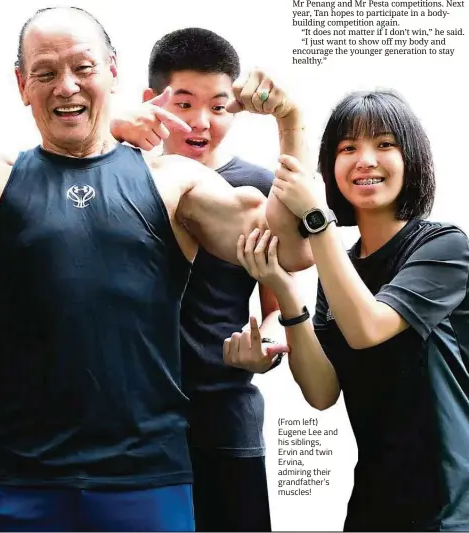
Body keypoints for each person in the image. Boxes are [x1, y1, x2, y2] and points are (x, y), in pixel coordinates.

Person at [0, 9, 313, 531]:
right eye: (45, 73)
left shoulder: (177, 184)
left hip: (146, 479)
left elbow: (290, 247)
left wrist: (290, 123)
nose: (66, 87)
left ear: (112, 72)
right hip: (21, 481)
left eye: (83, 68)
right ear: (22, 85)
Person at [231, 90, 469, 531]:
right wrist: (284, 290)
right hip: (373, 507)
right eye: (347, 148)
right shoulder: (341, 268)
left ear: (411, 159)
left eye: (384, 144)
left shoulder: (444, 246)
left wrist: (316, 219)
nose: (365, 160)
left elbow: (368, 328)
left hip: (449, 510)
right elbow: (322, 392)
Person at [134, 27, 295, 532]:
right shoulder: (118, 179)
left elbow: (279, 305)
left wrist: (267, 342)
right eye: (183, 104)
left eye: (219, 107)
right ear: (150, 103)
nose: (201, 122)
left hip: (226, 418)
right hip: (133, 427)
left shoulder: (258, 187)